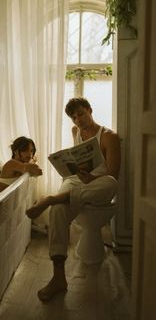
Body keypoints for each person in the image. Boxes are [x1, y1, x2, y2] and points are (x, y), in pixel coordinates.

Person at [26, 97, 121, 302]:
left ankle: (52, 197)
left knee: (112, 183)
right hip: (77, 183)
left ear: (90, 110)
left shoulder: (109, 137)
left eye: (81, 114)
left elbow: (114, 172)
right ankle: (58, 277)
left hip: (99, 185)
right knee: (58, 210)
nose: (78, 120)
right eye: (73, 117)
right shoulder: (75, 132)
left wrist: (93, 177)